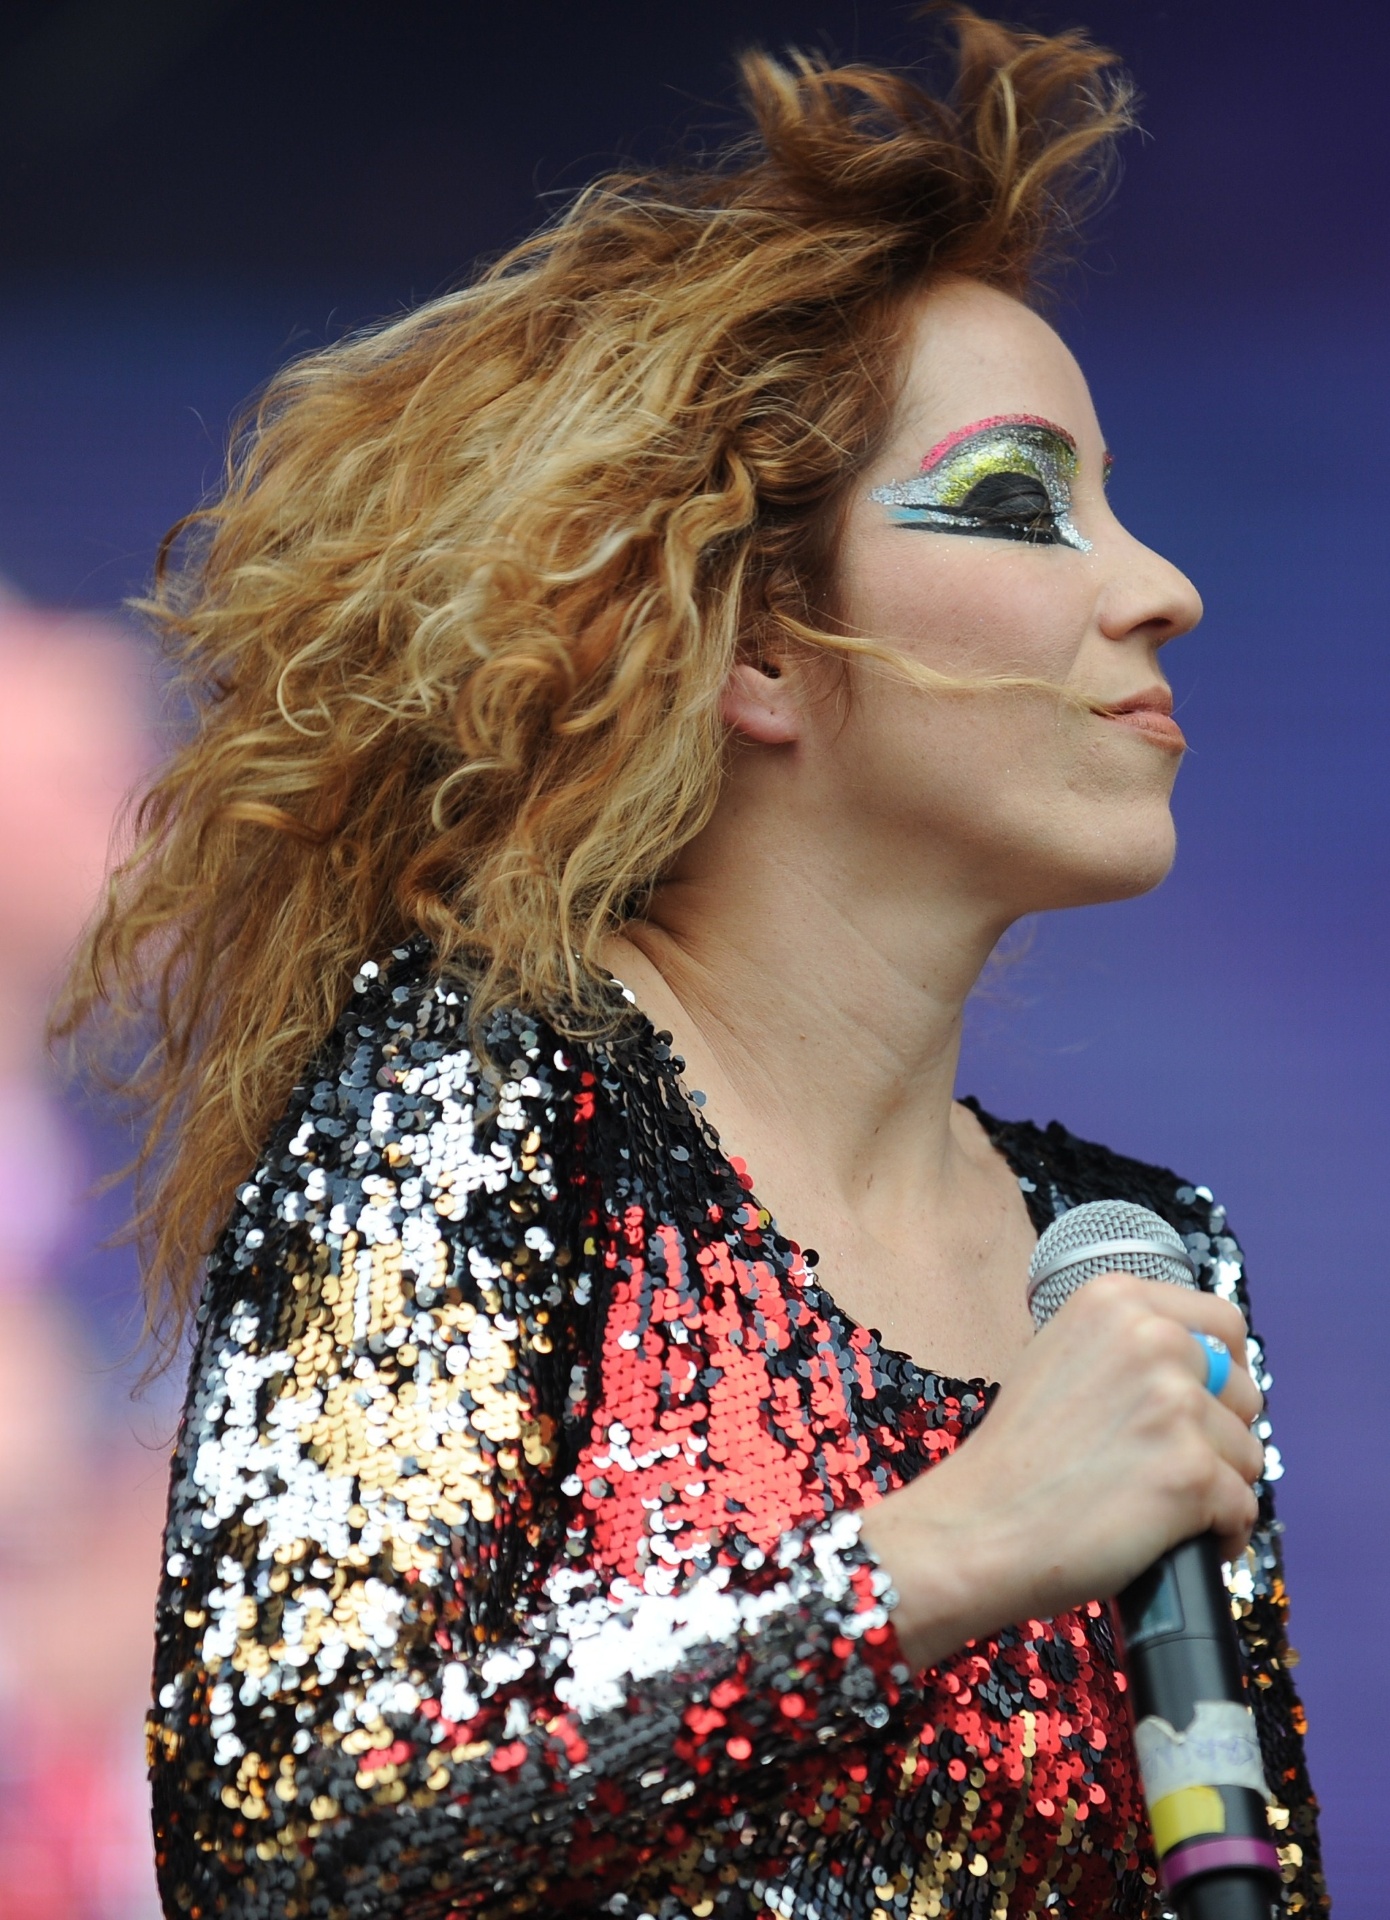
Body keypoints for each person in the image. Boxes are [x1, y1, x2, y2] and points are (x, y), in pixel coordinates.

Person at [61, 10, 1325, 1916]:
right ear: (747, 645)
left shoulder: (1139, 1258)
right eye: (1017, 497)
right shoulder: (486, 1096)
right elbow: (284, 1838)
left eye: (1119, 497)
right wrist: (948, 1547)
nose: (1157, 583)